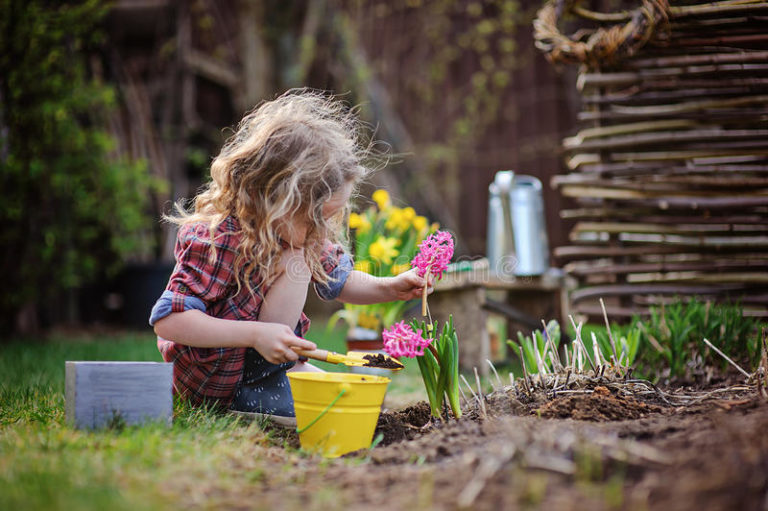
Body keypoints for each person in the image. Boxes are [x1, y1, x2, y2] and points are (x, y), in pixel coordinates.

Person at [149, 89, 431, 421]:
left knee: (344, 405)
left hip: (268, 364)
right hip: (213, 380)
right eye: (316, 218)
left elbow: (339, 280)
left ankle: (272, 382)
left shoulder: (299, 236)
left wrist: (390, 287)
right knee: (297, 262)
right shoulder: (218, 239)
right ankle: (253, 394)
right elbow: (169, 321)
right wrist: (255, 335)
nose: (323, 230)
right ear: (274, 201)